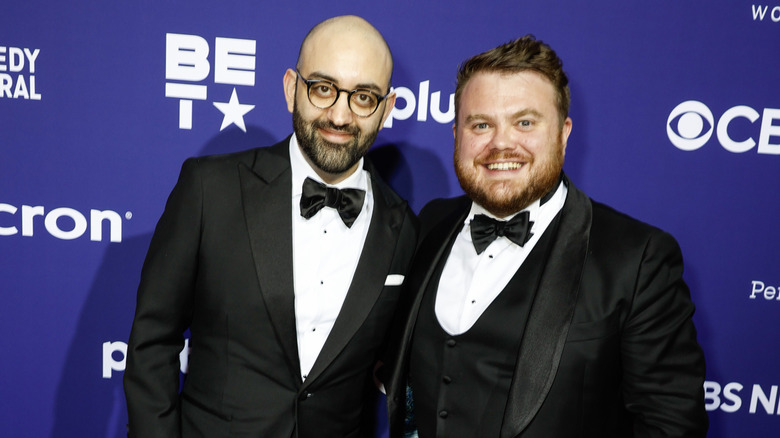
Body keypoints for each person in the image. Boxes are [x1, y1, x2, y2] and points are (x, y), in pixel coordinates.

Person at [385, 35, 708, 437]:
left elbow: (671, 425)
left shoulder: (637, 259)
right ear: (456, 135)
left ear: (563, 132)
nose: (501, 143)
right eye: (481, 124)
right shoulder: (432, 223)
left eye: (524, 122)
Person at [124, 15, 418, 438]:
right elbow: (153, 339)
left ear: (386, 109)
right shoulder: (212, 189)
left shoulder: (403, 228)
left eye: (364, 98)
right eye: (322, 88)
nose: (340, 114)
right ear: (290, 88)